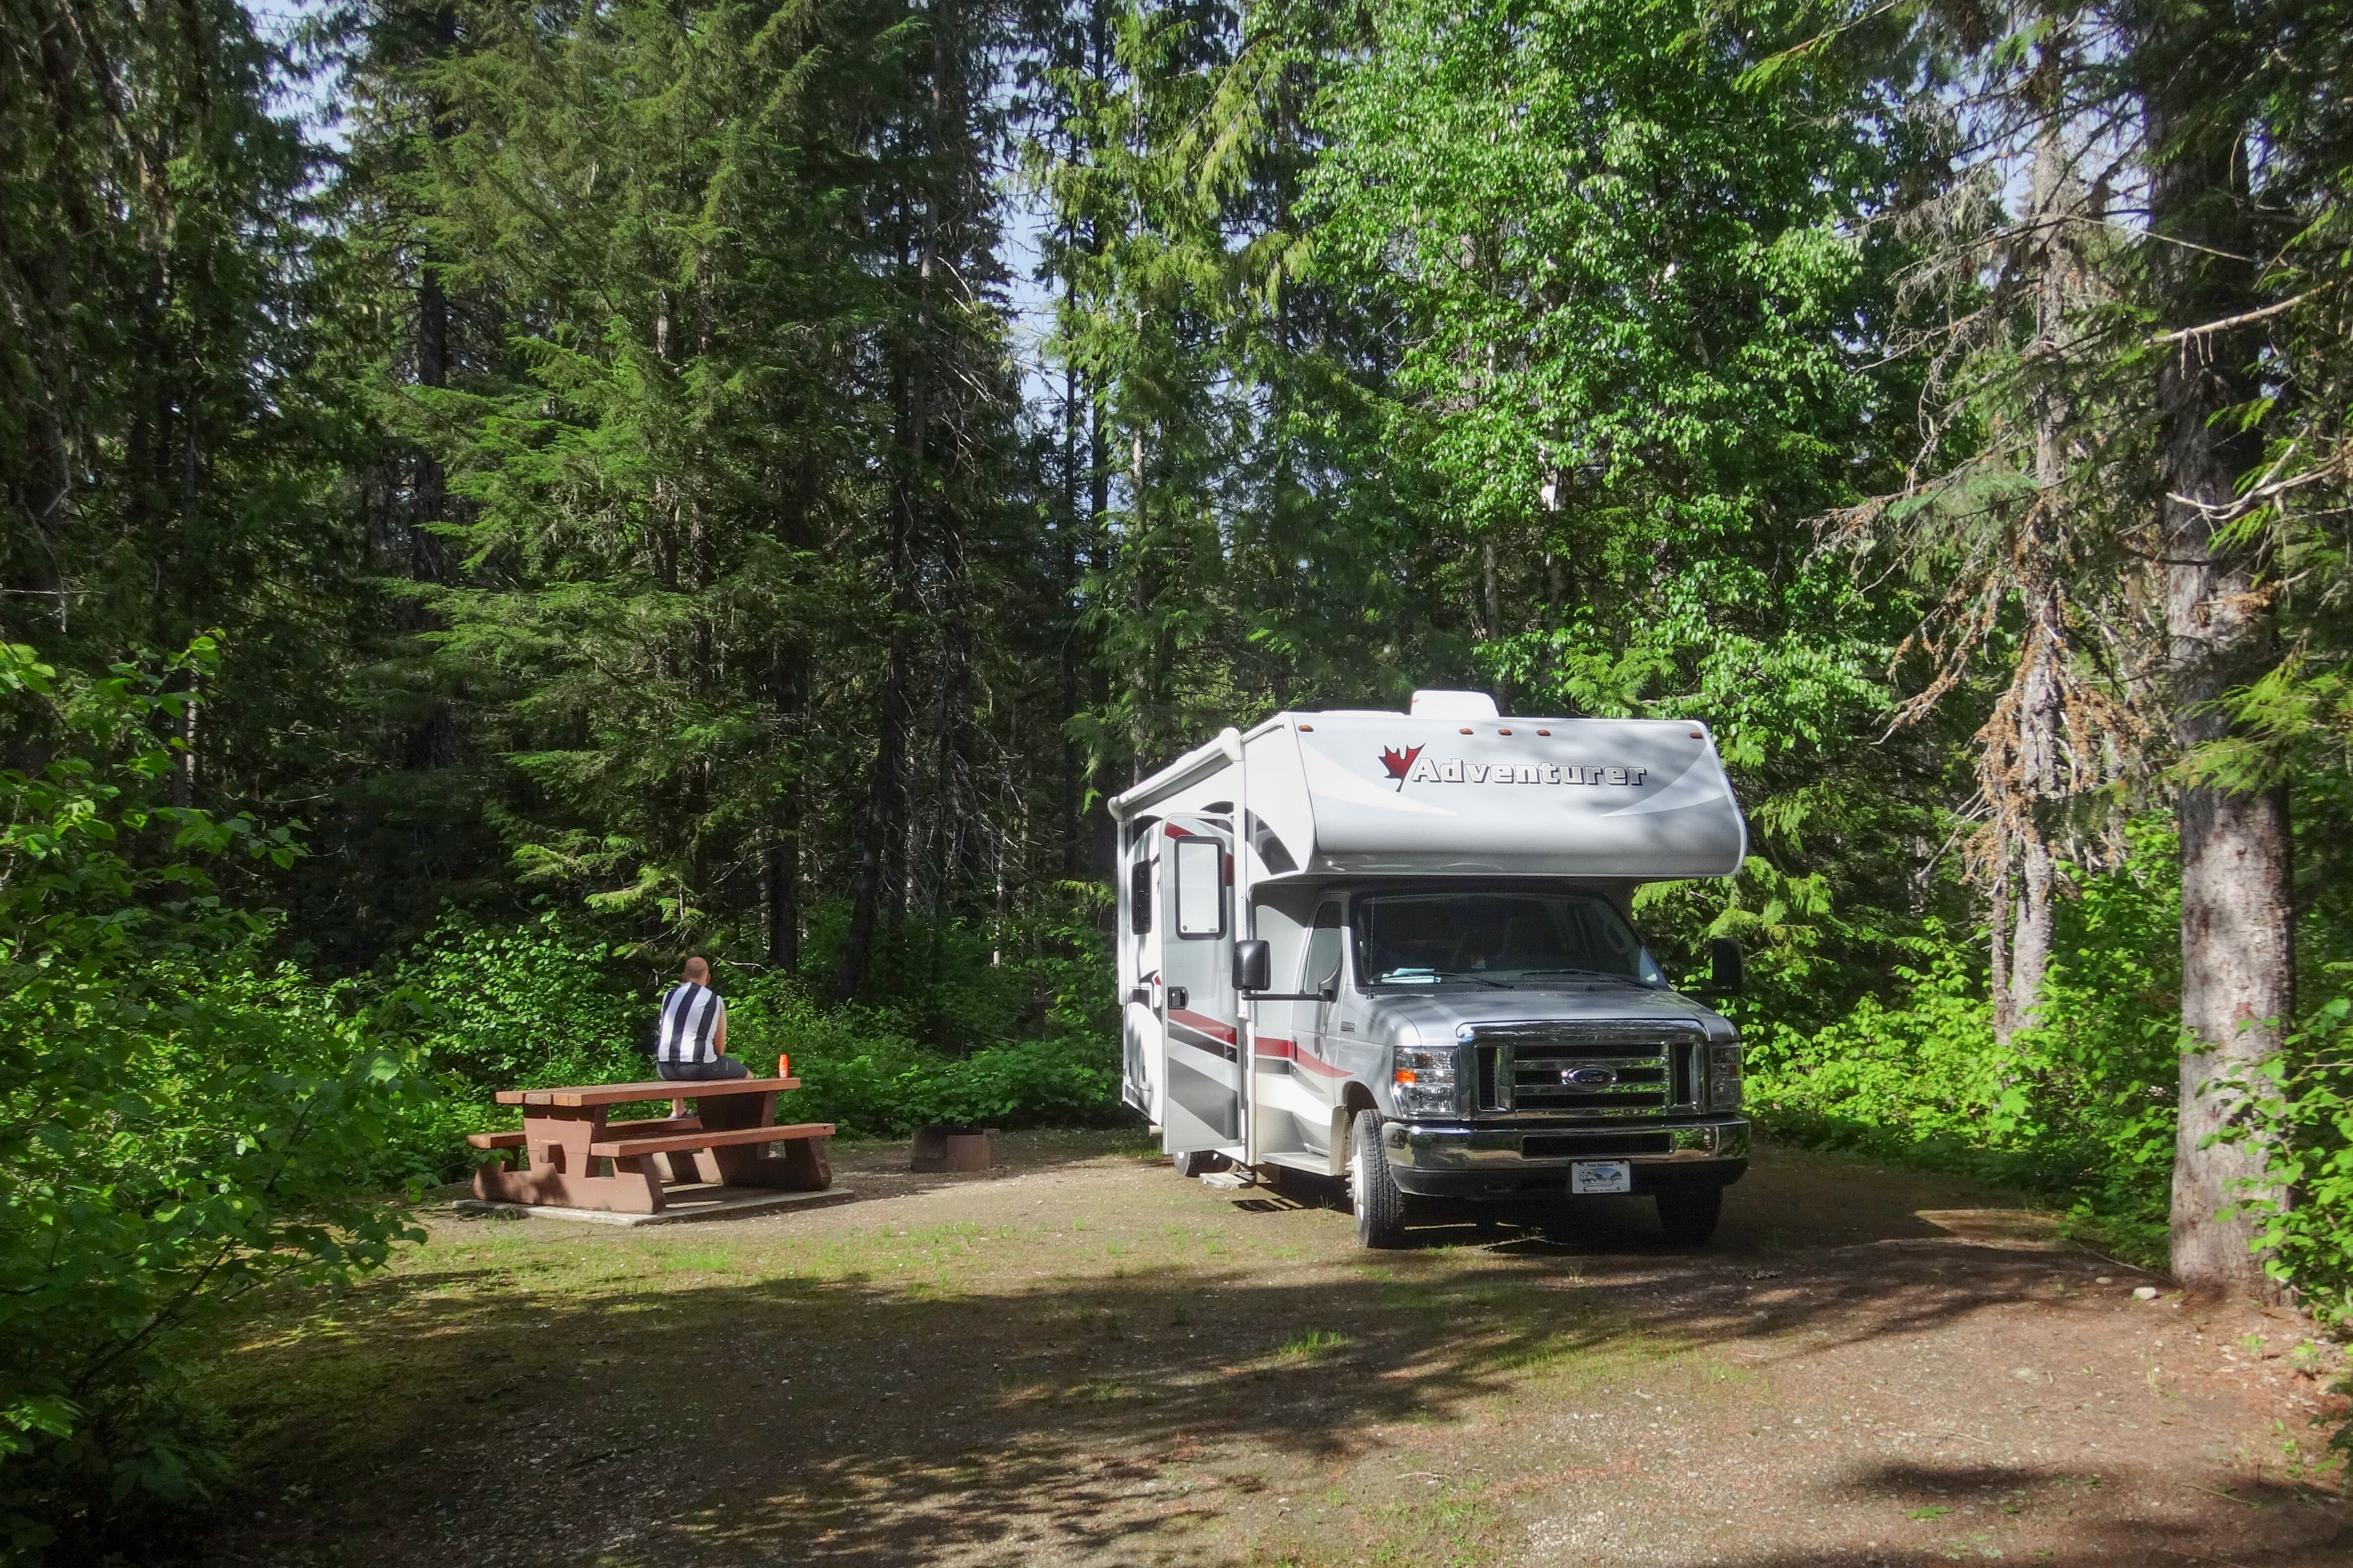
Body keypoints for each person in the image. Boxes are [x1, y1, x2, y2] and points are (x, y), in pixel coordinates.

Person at [655, 956, 748, 1081]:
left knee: (679, 1078)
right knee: (746, 1075)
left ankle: (678, 1102)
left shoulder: (668, 996)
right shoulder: (715, 1001)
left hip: (665, 1068)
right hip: (699, 1067)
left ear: (683, 977)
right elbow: (720, 1050)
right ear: (708, 978)